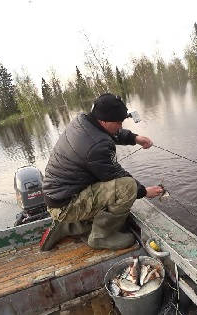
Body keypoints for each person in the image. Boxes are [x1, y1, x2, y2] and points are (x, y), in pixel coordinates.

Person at [39, 93, 163, 251]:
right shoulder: (97, 147)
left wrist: (135, 138)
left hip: (57, 199)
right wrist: (144, 191)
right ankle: (101, 236)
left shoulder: (83, 121)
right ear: (104, 120)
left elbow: (107, 133)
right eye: (119, 122)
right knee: (128, 187)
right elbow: (116, 175)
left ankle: (68, 227)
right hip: (66, 206)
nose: (121, 126)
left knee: (109, 186)